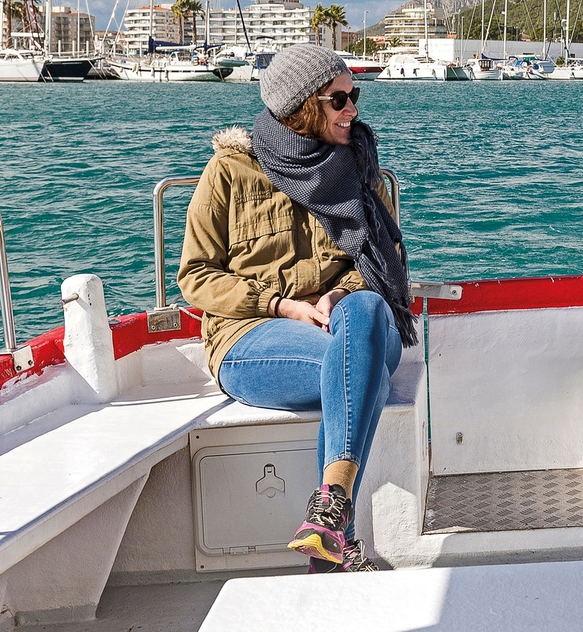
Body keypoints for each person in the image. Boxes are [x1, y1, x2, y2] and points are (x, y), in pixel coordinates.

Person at [179, 44, 417, 573]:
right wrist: (282, 305)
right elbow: (195, 276)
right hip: (251, 335)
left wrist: (340, 291)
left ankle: (328, 518)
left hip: (343, 326)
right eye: (339, 99)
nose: (352, 109)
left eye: (355, 96)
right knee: (361, 369)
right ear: (302, 106)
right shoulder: (231, 171)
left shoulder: (358, 166)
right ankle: (338, 537)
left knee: (370, 309)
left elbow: (383, 261)